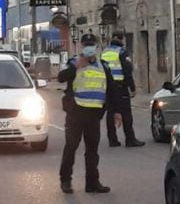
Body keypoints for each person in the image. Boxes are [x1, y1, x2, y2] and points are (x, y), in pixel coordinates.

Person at [57, 33, 119, 194]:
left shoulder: (103, 66)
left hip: (94, 114)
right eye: (86, 45)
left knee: (92, 151)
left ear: (96, 47)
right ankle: (65, 180)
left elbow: (111, 90)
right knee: (71, 147)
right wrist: (76, 66)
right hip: (76, 113)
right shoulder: (73, 63)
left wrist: (116, 112)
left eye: (91, 45)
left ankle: (92, 183)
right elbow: (61, 78)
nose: (89, 48)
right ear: (81, 47)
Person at [101, 31, 145, 148]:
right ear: (121, 40)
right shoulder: (122, 52)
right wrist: (132, 87)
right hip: (120, 86)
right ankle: (130, 139)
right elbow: (127, 70)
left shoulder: (104, 52)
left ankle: (112, 140)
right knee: (126, 113)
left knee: (110, 113)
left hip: (108, 87)